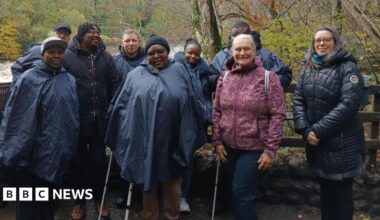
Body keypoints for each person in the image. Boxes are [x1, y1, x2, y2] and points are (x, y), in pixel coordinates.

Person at [105, 34, 205, 220]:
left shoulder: (180, 71)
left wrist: (190, 133)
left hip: (173, 138)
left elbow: (191, 102)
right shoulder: (135, 76)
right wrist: (121, 132)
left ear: (168, 52)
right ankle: (149, 214)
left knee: (173, 181)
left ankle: (172, 215)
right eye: (152, 52)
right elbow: (123, 106)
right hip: (144, 138)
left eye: (161, 51)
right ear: (146, 55)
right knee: (147, 180)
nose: (156, 55)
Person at [0, 36, 79, 220]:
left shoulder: (68, 80)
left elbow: (71, 117)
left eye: (60, 52)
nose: (57, 56)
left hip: (55, 153)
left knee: (47, 203)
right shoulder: (28, 79)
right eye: (51, 52)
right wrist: (16, 154)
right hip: (30, 157)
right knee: (27, 204)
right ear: (42, 54)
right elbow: (16, 119)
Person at [293, 25, 365, 220]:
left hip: (342, 143)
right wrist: (304, 129)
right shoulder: (308, 67)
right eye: (318, 40)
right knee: (326, 194)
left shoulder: (347, 67)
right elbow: (298, 99)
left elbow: (349, 104)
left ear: (335, 42)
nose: (321, 43)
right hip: (318, 144)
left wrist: (317, 130)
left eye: (326, 39)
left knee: (341, 196)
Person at [212, 34, 285, 220]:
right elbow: (217, 111)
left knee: (241, 194)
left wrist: (270, 150)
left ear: (254, 51)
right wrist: (217, 141)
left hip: (253, 148)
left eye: (247, 48)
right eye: (238, 49)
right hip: (227, 146)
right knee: (233, 192)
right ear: (232, 52)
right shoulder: (225, 77)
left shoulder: (269, 78)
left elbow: (278, 114)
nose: (242, 52)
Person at [63, 22, 121, 220]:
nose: (97, 36)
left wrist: (112, 108)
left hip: (99, 123)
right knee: (77, 164)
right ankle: (79, 202)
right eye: (92, 32)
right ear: (81, 35)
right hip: (75, 122)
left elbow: (115, 83)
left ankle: (99, 198)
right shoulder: (67, 57)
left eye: (99, 32)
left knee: (98, 163)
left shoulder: (105, 57)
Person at [173, 38, 211, 213]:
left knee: (188, 160)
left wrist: (207, 116)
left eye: (196, 54)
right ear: (184, 52)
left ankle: (183, 196)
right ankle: (170, 196)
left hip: (195, 122)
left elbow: (206, 97)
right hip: (176, 121)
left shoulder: (205, 71)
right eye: (190, 52)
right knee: (172, 159)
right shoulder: (174, 68)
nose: (193, 56)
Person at [112, 28, 145, 208]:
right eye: (127, 41)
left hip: (142, 114)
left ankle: (140, 193)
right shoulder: (114, 61)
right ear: (122, 43)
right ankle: (124, 192)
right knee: (121, 153)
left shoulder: (148, 60)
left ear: (139, 42)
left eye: (134, 40)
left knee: (141, 153)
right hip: (121, 114)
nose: (131, 43)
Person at [209, 21, 292, 90]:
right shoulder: (221, 57)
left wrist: (264, 84)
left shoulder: (266, 56)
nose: (242, 53)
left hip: (259, 105)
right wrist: (223, 82)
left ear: (249, 36)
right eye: (234, 36)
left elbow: (285, 75)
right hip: (230, 106)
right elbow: (209, 78)